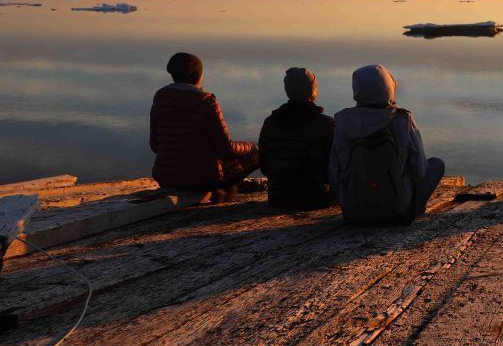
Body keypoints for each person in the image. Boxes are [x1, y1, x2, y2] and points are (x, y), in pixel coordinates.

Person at [327, 64, 445, 224]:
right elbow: (419, 168)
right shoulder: (402, 119)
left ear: (357, 90)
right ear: (389, 86)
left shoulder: (343, 121)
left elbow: (334, 171)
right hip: (397, 210)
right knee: (436, 164)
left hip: (354, 211)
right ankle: (414, 208)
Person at [149, 52, 258, 201]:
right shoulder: (206, 101)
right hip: (202, 180)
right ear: (197, 75)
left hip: (166, 177)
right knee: (257, 154)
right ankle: (224, 198)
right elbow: (226, 148)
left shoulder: (161, 98)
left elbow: (155, 145)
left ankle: (220, 192)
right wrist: (252, 146)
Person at [258, 67, 335, 210]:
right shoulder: (326, 124)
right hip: (316, 198)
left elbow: (264, 165)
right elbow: (335, 167)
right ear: (313, 90)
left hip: (277, 198)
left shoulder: (270, 123)